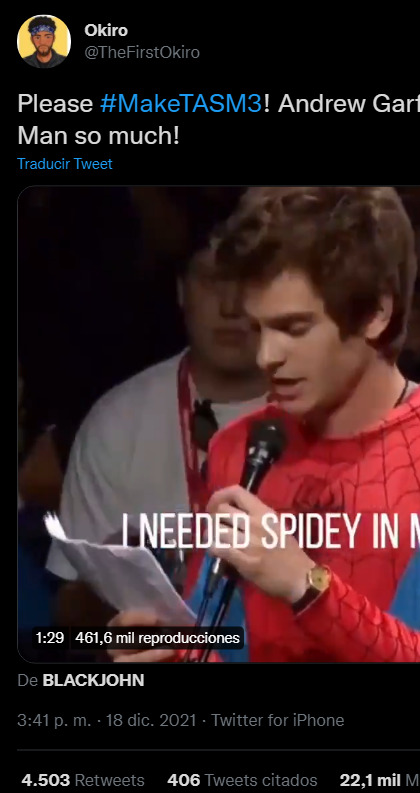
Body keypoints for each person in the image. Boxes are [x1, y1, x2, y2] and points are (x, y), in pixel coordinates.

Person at [109, 186, 420, 663]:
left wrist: (307, 586)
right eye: (257, 329)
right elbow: (213, 641)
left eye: (294, 328)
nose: (266, 356)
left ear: (376, 313)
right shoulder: (241, 448)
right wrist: (170, 650)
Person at [47, 232, 268, 625]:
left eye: (250, 280)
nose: (231, 306)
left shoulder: (330, 412)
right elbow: (71, 604)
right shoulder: (118, 421)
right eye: (212, 280)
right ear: (182, 291)